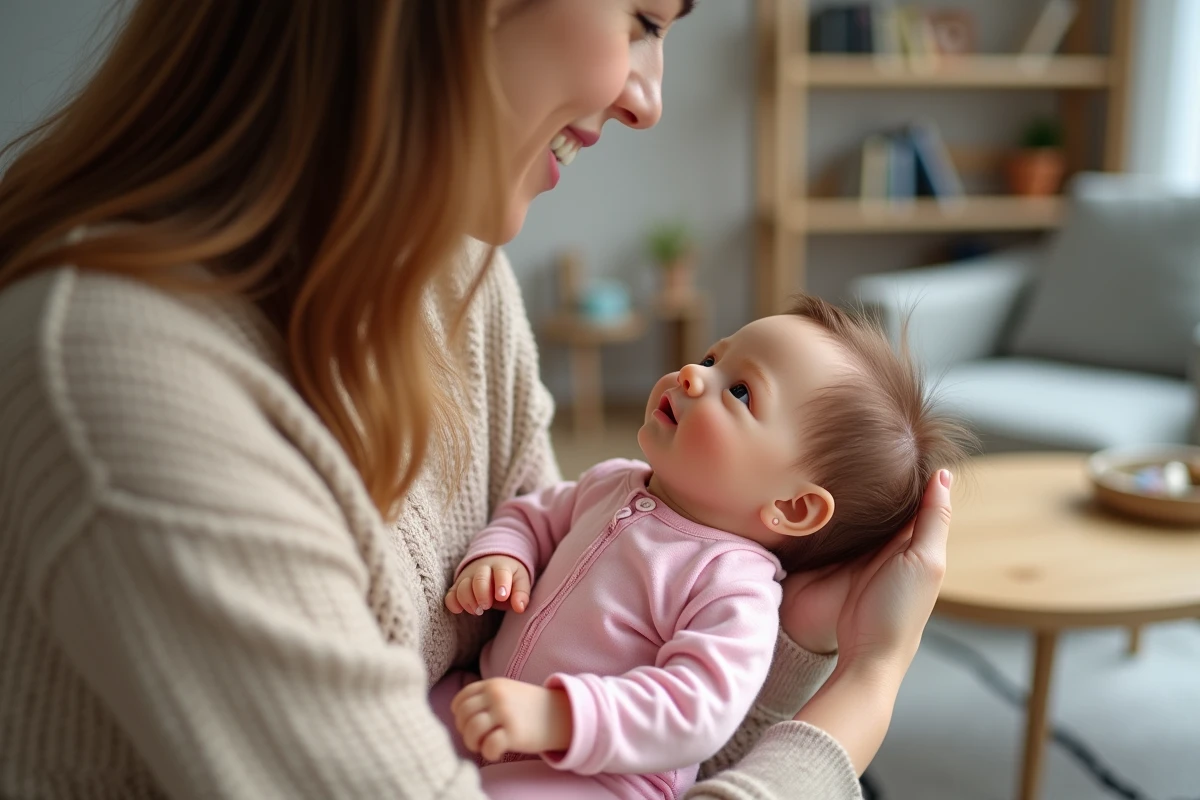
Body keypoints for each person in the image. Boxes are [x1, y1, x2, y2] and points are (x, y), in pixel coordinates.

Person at [0, 3, 956, 799]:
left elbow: (680, 721)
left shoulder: (456, 275)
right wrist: (866, 689)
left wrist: (799, 637)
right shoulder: (134, 385)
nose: (649, 98)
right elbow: (534, 528)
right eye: (640, 18)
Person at [437, 296, 970, 799]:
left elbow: (698, 708)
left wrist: (560, 716)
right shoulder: (613, 481)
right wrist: (503, 555)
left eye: (739, 392)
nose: (694, 374)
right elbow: (533, 515)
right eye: (713, 357)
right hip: (487, 695)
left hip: (603, 777)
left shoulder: (733, 585)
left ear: (793, 507)